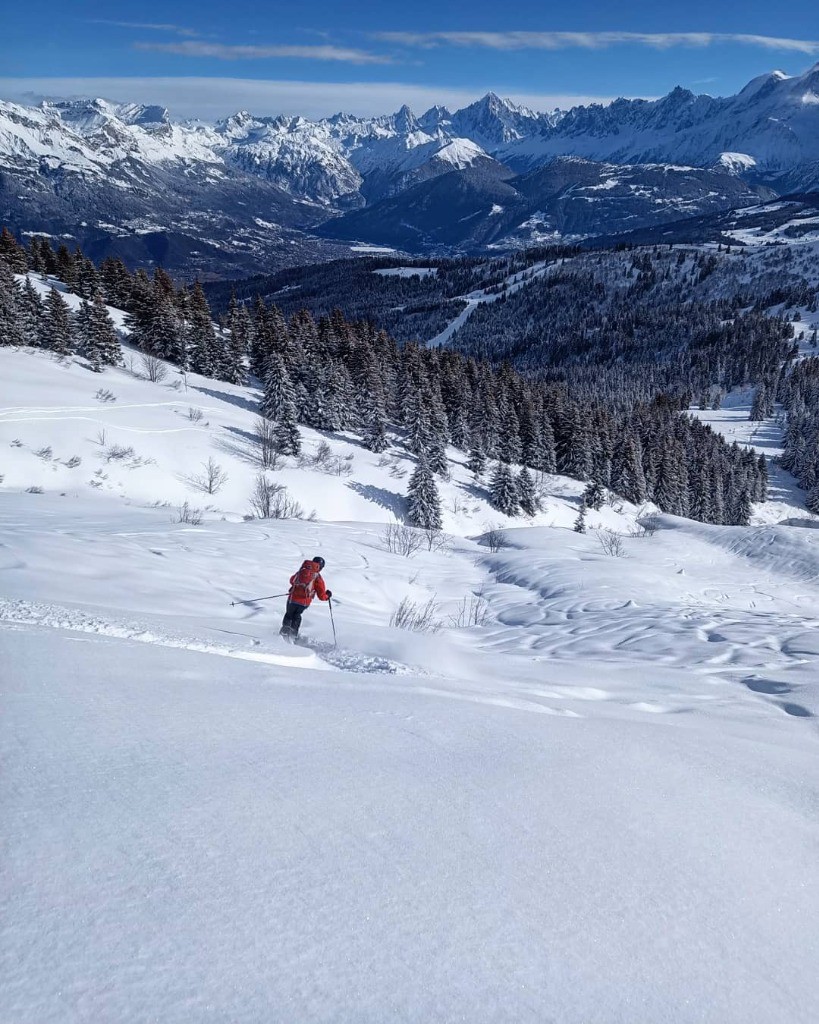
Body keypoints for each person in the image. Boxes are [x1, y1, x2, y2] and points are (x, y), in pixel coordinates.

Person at [280, 556, 332, 639]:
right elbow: (322, 596)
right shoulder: (318, 577)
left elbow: (291, 580)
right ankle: (292, 637)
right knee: (297, 616)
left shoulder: (302, 571)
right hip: (304, 602)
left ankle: (283, 634)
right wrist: (328, 596)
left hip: (292, 599)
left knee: (289, 615)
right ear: (321, 567)